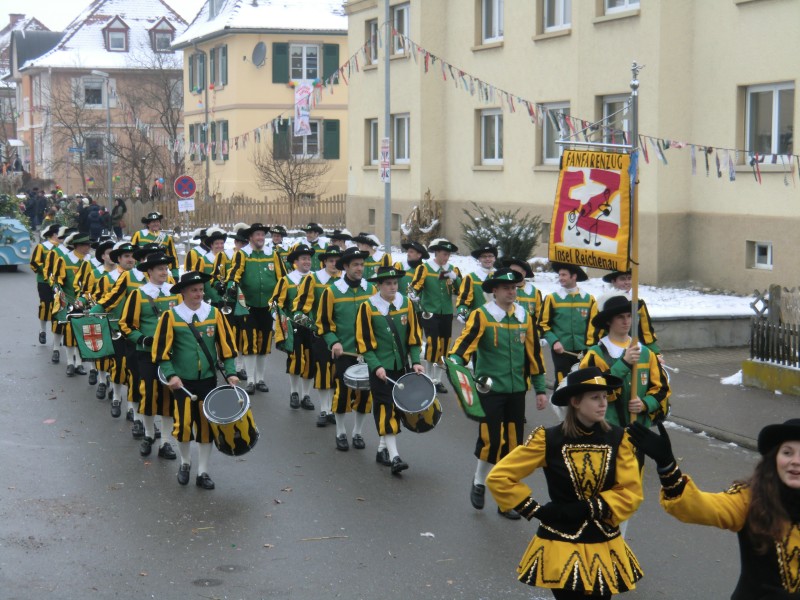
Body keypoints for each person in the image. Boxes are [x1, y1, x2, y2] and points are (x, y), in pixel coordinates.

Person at [486, 366, 645, 598]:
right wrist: (536, 511)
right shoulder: (549, 439)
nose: (603, 404)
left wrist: (587, 508)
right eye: (594, 398)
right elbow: (500, 477)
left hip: (602, 541)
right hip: (561, 543)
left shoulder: (618, 439)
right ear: (576, 402)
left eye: (604, 397)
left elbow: (631, 491)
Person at [628, 418, 800, 599]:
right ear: (774, 458)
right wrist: (667, 465)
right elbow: (700, 507)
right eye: (787, 453)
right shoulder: (750, 499)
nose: (796, 461)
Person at [449, 268, 549, 519]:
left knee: (514, 446)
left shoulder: (524, 316)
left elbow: (534, 354)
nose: (512, 292)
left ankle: (506, 500)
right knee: (492, 441)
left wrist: (539, 388)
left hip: (516, 391)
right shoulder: (482, 315)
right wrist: (456, 365)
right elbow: (463, 347)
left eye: (514, 288)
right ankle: (479, 481)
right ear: (495, 291)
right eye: (507, 288)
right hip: (490, 390)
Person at [151, 271, 239, 490]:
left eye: (201, 289)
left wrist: (231, 372)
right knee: (183, 427)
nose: (199, 294)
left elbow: (226, 346)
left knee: (206, 427)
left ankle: (203, 472)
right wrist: (171, 375)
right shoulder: (170, 317)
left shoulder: (214, 314)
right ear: (183, 292)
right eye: (193, 290)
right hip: (182, 383)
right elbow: (161, 352)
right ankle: (185, 463)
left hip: (208, 380)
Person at [355, 266, 425, 475]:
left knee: (396, 408)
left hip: (401, 366)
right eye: (388, 283)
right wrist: (375, 366)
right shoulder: (368, 307)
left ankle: (382, 448)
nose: (393, 287)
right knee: (385, 407)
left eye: (395, 283)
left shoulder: (407, 305)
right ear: (378, 286)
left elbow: (414, 337)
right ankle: (395, 457)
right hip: (381, 368)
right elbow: (364, 343)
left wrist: (415, 361)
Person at [119, 251, 179, 460]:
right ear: (150, 271)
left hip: (171, 355)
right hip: (147, 354)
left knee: (168, 398)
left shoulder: (175, 292)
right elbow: (125, 324)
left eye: (166, 268)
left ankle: (165, 443)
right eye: (160, 269)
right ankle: (148, 434)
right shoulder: (139, 294)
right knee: (148, 395)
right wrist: (141, 338)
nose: (164, 272)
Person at [580, 294, 670, 429]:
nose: (626, 321)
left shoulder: (646, 353)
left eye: (629, 316)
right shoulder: (595, 354)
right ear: (609, 321)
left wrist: (645, 404)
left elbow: (662, 388)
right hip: (608, 429)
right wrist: (624, 363)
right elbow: (591, 392)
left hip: (639, 430)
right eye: (620, 317)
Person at [316, 247, 376, 451]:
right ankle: (340, 431)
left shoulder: (372, 290)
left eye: (362, 264)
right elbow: (323, 323)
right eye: (356, 265)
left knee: (365, 394)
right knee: (342, 393)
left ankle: (357, 432)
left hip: (368, 353)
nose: (360, 268)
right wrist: (334, 342)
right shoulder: (331, 291)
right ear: (346, 267)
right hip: (345, 352)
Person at [226, 222, 287, 394]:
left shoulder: (273, 254)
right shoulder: (242, 254)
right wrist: (232, 285)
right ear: (250, 238)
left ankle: (261, 379)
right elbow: (235, 273)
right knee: (250, 342)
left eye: (262, 234)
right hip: (248, 305)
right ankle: (251, 380)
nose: (260, 237)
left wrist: (282, 299)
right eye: (257, 235)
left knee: (264, 343)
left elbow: (282, 278)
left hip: (268, 306)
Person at [293, 245, 342, 427]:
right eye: (331, 261)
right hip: (321, 333)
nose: (334, 264)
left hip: (343, 336)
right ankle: (324, 409)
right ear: (325, 262)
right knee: (323, 370)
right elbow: (298, 309)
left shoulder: (345, 281)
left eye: (337, 261)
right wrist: (313, 326)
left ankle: (334, 409)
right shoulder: (313, 279)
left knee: (338, 372)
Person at [409, 238, 462, 392]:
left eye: (448, 255)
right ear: (437, 253)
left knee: (444, 346)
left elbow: (461, 290)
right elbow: (414, 288)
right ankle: (428, 378)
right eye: (444, 254)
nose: (446, 257)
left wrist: (455, 278)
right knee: (433, 344)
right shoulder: (425, 268)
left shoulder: (452, 269)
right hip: (429, 312)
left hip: (445, 312)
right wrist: (414, 297)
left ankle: (438, 380)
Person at [271, 244, 316, 411]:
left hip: (312, 328)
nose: (307, 261)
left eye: (309, 258)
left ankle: (306, 395)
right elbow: (275, 302)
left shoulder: (315, 279)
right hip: (293, 326)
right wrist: (281, 321)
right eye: (303, 258)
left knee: (311, 361)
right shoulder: (286, 281)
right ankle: (294, 392)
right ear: (295, 262)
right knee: (295, 360)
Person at [585, 270, 662, 360]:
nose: (627, 282)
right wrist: (592, 354)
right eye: (622, 279)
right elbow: (593, 334)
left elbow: (646, 332)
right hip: (609, 353)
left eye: (629, 278)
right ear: (613, 282)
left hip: (634, 351)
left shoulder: (637, 303)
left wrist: (655, 353)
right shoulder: (602, 304)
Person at [540, 262, 596, 385]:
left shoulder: (589, 299)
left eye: (564, 275)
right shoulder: (552, 298)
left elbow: (593, 326)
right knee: (562, 384)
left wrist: (590, 346)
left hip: (583, 351)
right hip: (561, 350)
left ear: (574, 276)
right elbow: (543, 324)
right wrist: (554, 341)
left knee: (582, 385)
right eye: (559, 275)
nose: (560, 278)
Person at [51, 232, 94, 376]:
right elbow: (57, 282)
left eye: (88, 245)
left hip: (87, 303)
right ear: (76, 246)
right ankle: (70, 363)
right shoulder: (64, 260)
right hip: (69, 302)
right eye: (84, 245)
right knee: (70, 334)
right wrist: (65, 299)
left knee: (83, 333)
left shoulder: (91, 261)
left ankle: (79, 363)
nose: (88, 247)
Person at [30, 223, 61, 345]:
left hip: (59, 283)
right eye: (60, 234)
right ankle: (42, 330)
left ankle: (56, 335)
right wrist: (49, 272)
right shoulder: (42, 247)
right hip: (44, 282)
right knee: (45, 305)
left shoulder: (63, 249)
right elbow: (34, 263)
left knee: (58, 307)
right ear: (54, 234)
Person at [130, 212, 179, 279]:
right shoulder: (138, 234)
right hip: (141, 271)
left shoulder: (167, 238)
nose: (156, 224)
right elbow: (131, 252)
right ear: (148, 224)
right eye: (153, 222)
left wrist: (175, 274)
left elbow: (173, 256)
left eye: (157, 221)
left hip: (159, 272)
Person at [455, 244, 497, 322]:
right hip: (476, 321)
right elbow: (463, 300)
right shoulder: (471, 278)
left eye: (490, 256)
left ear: (494, 258)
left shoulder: (500, 277)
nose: (487, 259)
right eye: (484, 256)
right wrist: (462, 312)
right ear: (479, 259)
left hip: (498, 322)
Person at [501, 257, 543, 322]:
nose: (512, 274)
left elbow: (540, 317)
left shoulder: (534, 292)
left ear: (524, 273)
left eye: (515, 272)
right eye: (510, 271)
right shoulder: (501, 290)